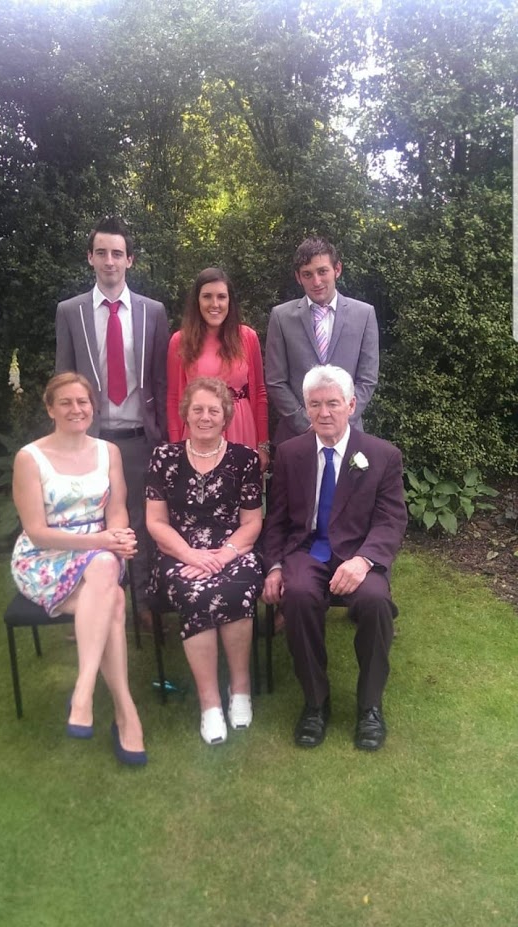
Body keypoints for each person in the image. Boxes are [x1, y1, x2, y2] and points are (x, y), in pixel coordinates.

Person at [262, 365, 407, 751]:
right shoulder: (290, 453)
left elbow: (391, 520)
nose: (323, 412)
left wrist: (364, 561)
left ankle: (370, 705)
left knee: (375, 600)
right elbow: (276, 519)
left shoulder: (382, 455)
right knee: (297, 595)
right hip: (306, 550)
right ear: (305, 408)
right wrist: (273, 566)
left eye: (332, 403)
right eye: (315, 404)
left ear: (351, 405)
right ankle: (316, 702)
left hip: (357, 553)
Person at [11, 373, 147, 765]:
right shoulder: (30, 458)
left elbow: (116, 509)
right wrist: (104, 542)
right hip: (45, 558)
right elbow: (37, 532)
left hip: (98, 554)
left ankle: (86, 694)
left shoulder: (108, 452)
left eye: (83, 402)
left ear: (93, 407)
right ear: (50, 408)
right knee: (113, 597)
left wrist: (117, 535)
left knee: (105, 575)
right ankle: (122, 711)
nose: (76, 409)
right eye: (66, 402)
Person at [55, 216, 169, 621]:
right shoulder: (70, 312)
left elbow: (161, 379)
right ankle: (94, 600)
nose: (109, 261)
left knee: (140, 518)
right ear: (90, 257)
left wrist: (164, 437)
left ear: (129, 260)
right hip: (92, 439)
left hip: (139, 438)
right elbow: (64, 378)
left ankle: (143, 602)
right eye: (101, 252)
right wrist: (66, 438)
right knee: (89, 520)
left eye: (117, 254)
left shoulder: (153, 312)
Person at [146, 377, 264, 746]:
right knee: (194, 592)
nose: (205, 416)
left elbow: (252, 523)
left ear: (226, 416)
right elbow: (155, 522)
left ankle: (240, 689)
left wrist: (224, 555)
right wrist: (190, 555)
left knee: (238, 586)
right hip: (178, 554)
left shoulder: (245, 459)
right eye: (197, 409)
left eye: (213, 410)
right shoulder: (164, 458)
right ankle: (210, 703)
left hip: (233, 551)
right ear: (186, 413)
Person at [265, 237, 379, 444]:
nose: (316, 282)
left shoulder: (364, 315)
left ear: (337, 269)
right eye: (307, 274)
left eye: (322, 271)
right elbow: (276, 381)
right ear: (298, 277)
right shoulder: (281, 317)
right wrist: (306, 423)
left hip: (348, 434)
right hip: (297, 436)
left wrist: (341, 420)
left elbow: (367, 379)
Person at [166, 267, 270, 472]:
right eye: (207, 296)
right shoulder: (180, 341)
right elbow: (173, 399)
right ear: (197, 301)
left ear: (230, 301)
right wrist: (176, 446)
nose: (215, 304)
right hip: (199, 429)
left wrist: (263, 444)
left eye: (221, 297)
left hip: (241, 428)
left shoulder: (247, 337)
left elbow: (259, 393)